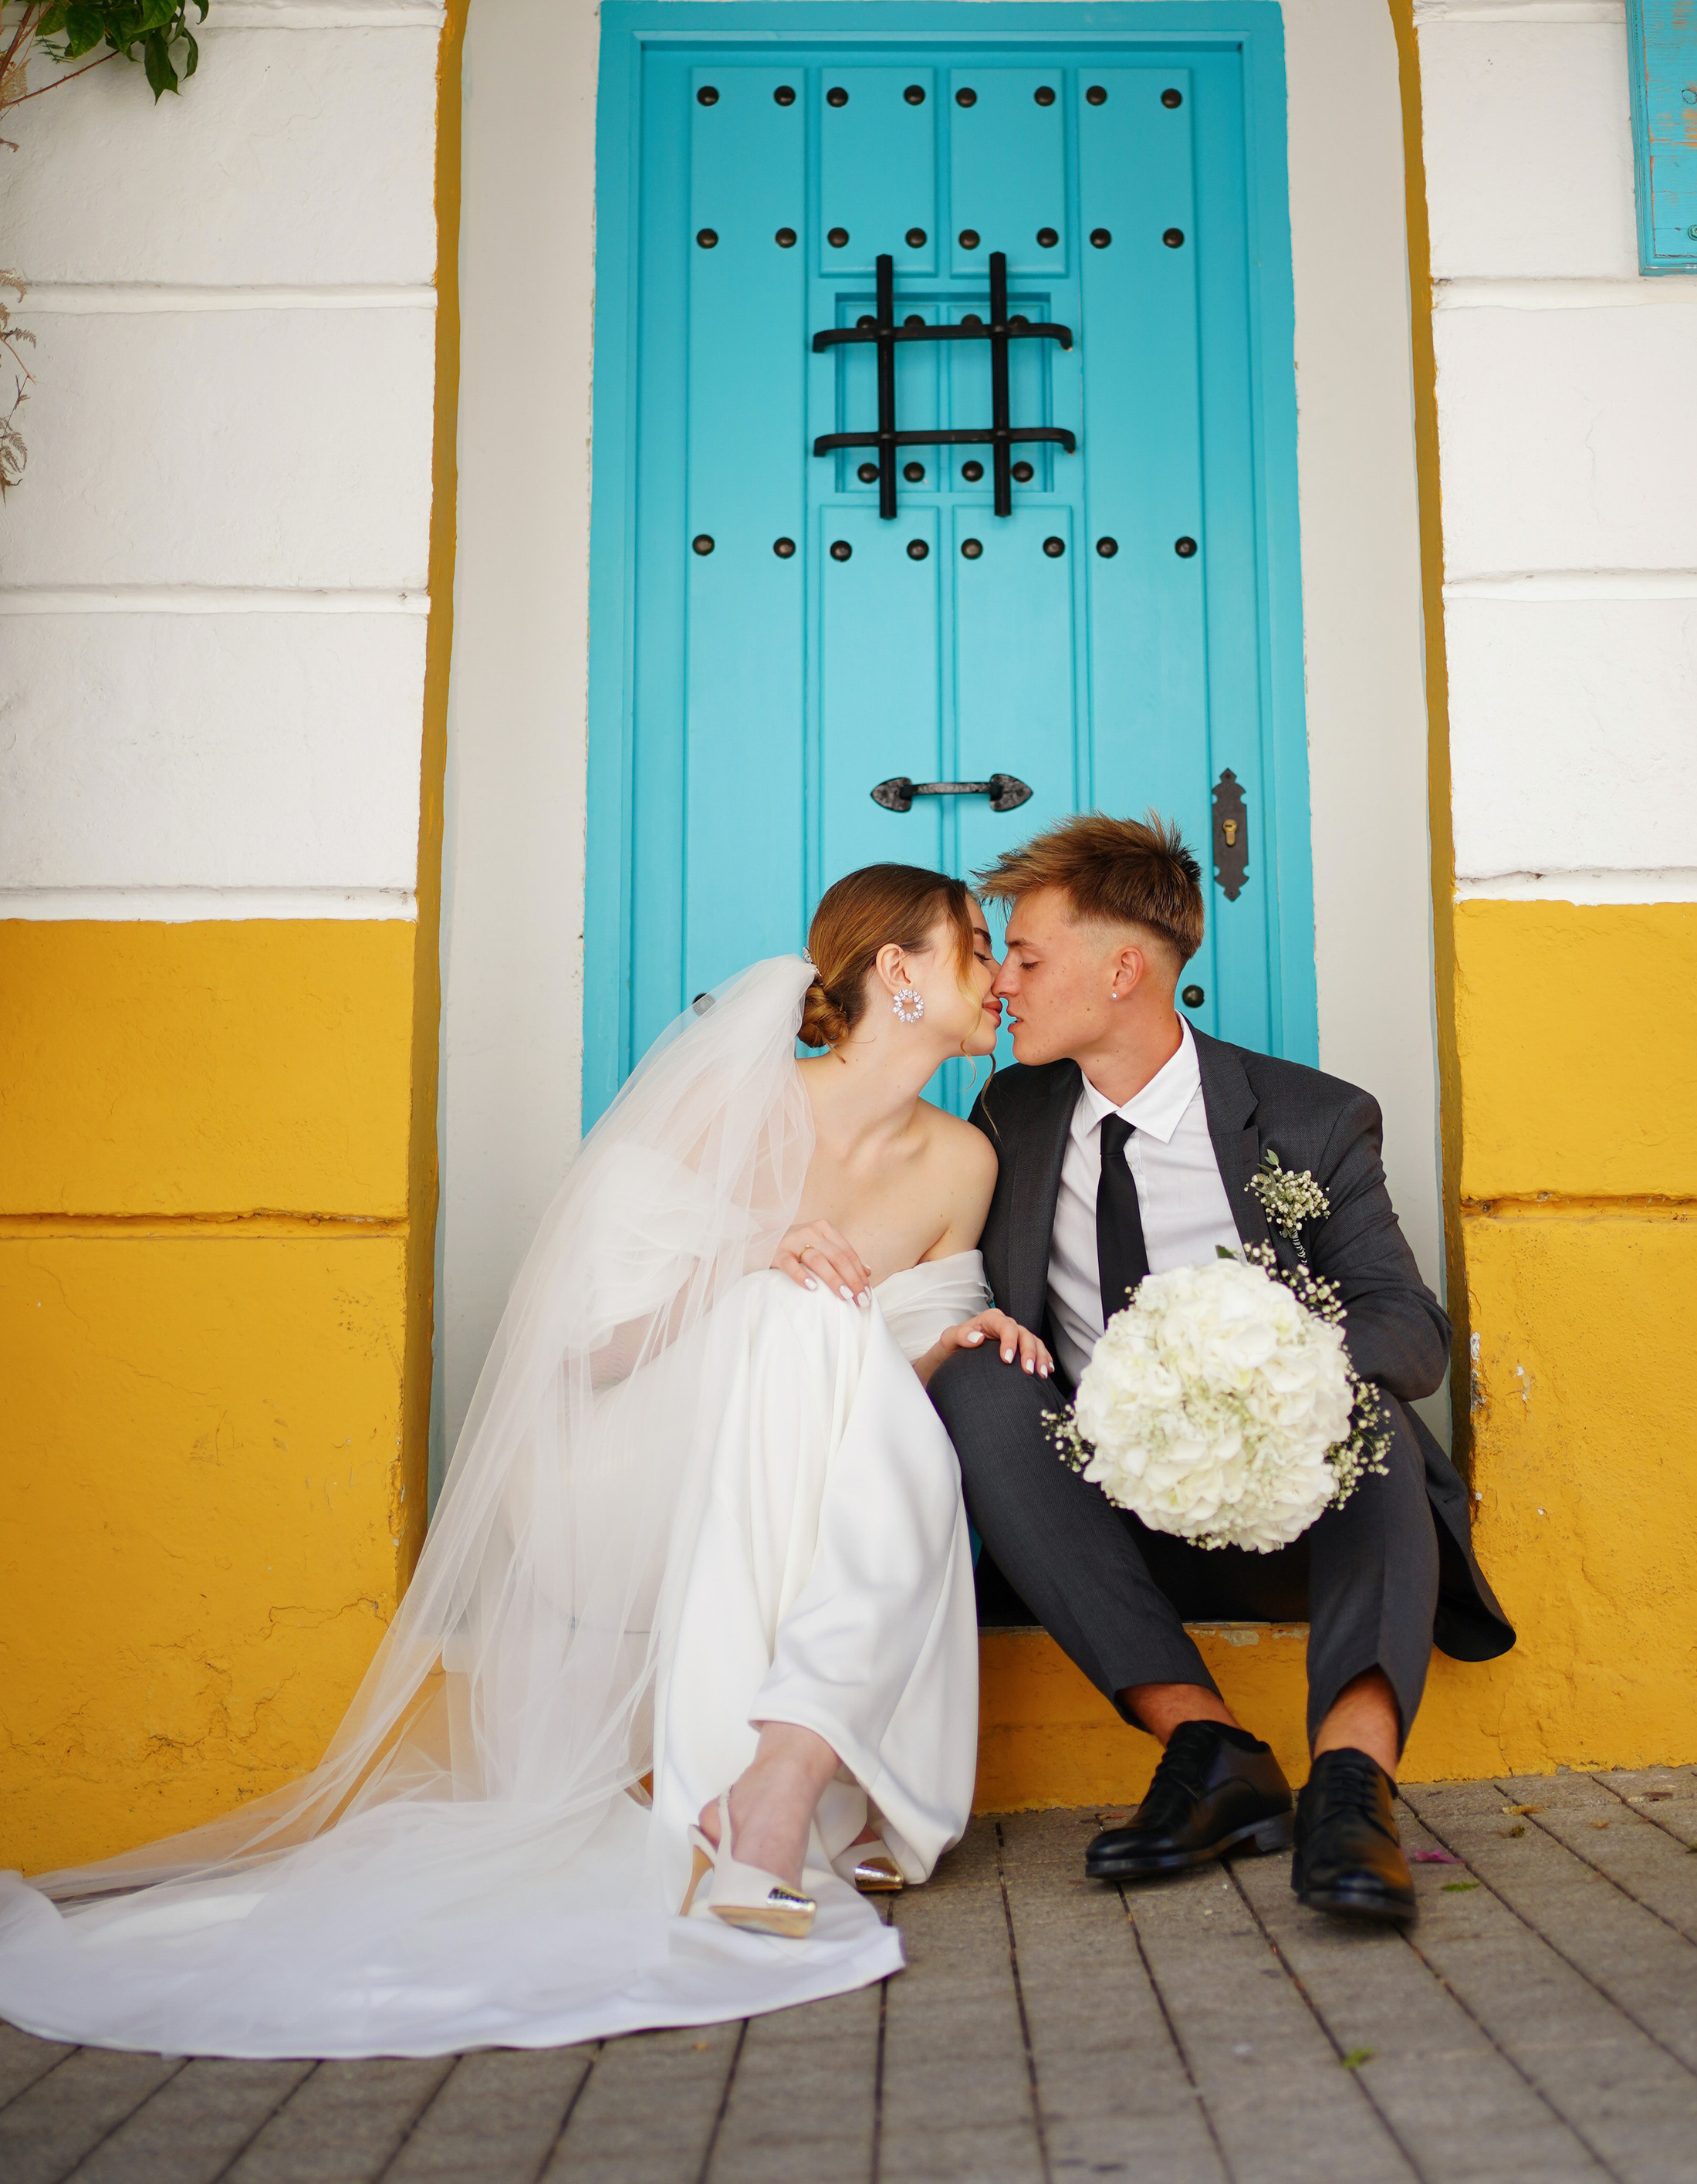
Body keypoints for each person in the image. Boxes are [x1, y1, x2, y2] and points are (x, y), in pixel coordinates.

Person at [0, 867, 1046, 2060]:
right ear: (896, 974)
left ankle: (772, 1779)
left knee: (843, 1346)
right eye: (977, 950)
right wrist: (757, 1254)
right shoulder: (730, 1113)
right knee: (792, 1313)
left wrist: (954, 1340)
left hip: (795, 1484)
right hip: (617, 1474)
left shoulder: (964, 1162)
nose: (1003, 979)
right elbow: (588, 1353)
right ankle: (781, 1768)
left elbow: (872, 1403)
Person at [929, 814, 1514, 1927]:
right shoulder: (1014, 1111)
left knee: (1371, 1415)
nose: (1003, 981)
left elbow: (1411, 1327)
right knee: (976, 1376)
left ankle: (1352, 1787)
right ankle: (1208, 1750)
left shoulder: (1311, 1117)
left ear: (1123, 969)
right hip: (1092, 1527)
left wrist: (1277, 1376)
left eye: (1029, 957)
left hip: (1282, 1516)